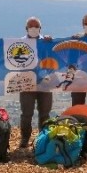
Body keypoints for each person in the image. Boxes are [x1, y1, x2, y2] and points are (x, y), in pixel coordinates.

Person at [19, 16, 53, 148]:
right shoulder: (19, 43)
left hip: (45, 83)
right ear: (26, 28)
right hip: (27, 83)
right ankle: (25, 138)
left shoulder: (47, 42)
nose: (33, 28)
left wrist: (51, 41)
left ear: (40, 28)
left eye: (36, 26)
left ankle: (43, 139)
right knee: (26, 113)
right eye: (31, 26)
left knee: (45, 113)